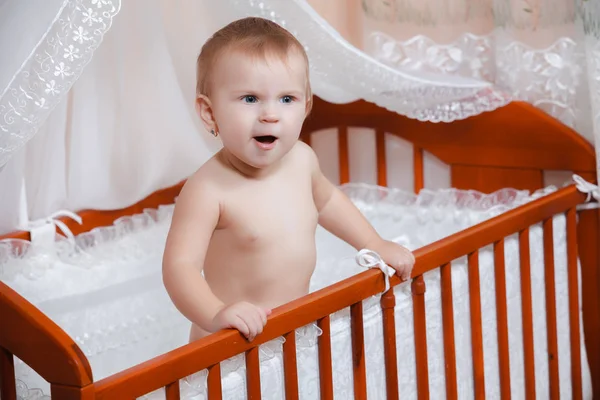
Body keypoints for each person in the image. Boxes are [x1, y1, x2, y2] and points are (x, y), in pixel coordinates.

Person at [162, 17, 415, 343]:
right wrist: (216, 313)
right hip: (230, 345)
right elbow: (180, 267)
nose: (271, 114)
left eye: (287, 99)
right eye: (250, 99)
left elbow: (327, 201)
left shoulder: (302, 159)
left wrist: (374, 243)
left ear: (306, 106)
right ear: (210, 113)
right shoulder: (207, 190)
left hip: (294, 333)